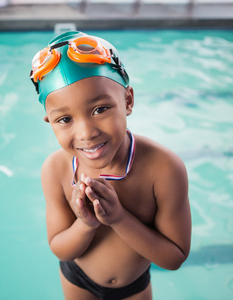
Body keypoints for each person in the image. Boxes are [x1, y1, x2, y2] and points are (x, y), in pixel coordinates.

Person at [30, 31, 192, 300]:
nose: (86, 133)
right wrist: (86, 224)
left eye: (100, 109)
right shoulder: (56, 170)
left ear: (127, 101)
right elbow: (60, 248)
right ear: (50, 121)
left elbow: (174, 257)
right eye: (65, 119)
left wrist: (119, 218)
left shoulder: (163, 168)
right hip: (77, 279)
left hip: (133, 286)